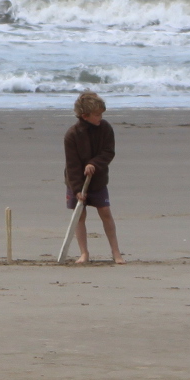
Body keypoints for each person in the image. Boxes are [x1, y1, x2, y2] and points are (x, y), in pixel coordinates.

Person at [63, 90, 123, 265]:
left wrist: (94, 164)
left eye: (101, 114)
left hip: (98, 180)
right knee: (79, 215)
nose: (100, 118)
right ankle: (84, 253)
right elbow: (72, 165)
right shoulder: (72, 135)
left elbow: (108, 152)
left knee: (105, 211)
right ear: (85, 115)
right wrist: (77, 189)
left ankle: (116, 252)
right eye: (97, 115)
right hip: (75, 181)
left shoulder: (105, 128)